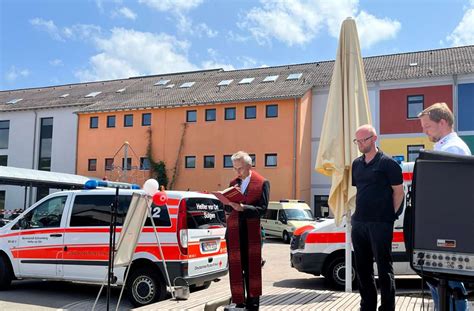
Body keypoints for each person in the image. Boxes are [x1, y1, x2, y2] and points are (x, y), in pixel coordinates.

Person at [418, 103, 471, 311]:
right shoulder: (443, 147)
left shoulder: (453, 149)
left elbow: (450, 193)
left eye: (427, 126)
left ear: (443, 122)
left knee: (450, 285)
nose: (424, 130)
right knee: (442, 285)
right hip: (444, 224)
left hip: (449, 228)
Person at [351, 124, 405, 311]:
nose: (359, 144)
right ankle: (367, 305)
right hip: (359, 223)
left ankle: (388, 307)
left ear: (374, 138)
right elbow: (360, 191)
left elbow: (398, 193)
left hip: (381, 223)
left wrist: (390, 216)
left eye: (363, 140)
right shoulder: (356, 164)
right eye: (357, 140)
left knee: (384, 268)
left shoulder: (388, 164)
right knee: (362, 268)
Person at [226, 151, 270, 310]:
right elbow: (228, 206)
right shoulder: (233, 182)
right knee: (236, 268)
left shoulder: (262, 182)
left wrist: (243, 207)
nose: (237, 172)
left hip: (251, 232)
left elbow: (263, 209)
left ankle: (253, 305)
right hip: (234, 231)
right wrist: (227, 201)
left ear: (249, 166)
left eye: (240, 168)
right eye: (235, 168)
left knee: (252, 270)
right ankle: (239, 302)